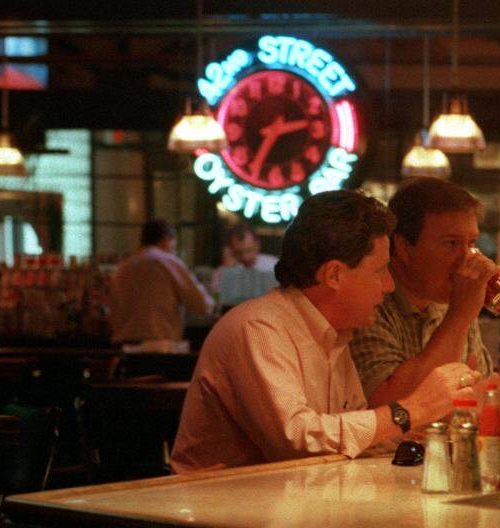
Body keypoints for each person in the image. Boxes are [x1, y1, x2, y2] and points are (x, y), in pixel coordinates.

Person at [170, 190, 478, 472]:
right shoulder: (259, 327)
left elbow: (355, 441)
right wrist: (409, 411)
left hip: (281, 507)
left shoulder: (333, 335)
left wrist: (422, 436)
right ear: (334, 275)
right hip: (211, 519)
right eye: (379, 271)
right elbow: (296, 442)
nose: (388, 285)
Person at [349, 177, 500, 408]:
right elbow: (395, 409)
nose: (466, 258)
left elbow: (481, 401)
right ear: (403, 247)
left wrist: (482, 392)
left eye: (471, 243)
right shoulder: (370, 303)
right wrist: (460, 316)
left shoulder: (452, 303)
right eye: (451, 244)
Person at [108, 219, 215, 344]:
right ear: (166, 239)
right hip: (159, 346)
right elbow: (202, 305)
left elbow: (113, 310)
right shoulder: (168, 262)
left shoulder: (122, 267)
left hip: (124, 346)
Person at [210, 225, 279, 309]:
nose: (245, 257)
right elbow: (214, 301)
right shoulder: (225, 269)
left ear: (257, 245)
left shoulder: (273, 264)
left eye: (248, 250)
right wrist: (227, 270)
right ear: (231, 249)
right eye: (239, 252)